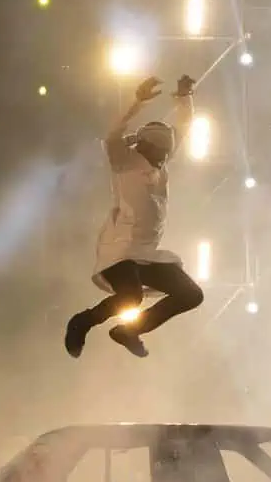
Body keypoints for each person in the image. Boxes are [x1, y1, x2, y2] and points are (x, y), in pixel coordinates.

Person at [65, 75, 204, 359]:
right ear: (144, 146)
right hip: (120, 250)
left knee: (191, 294)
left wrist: (185, 97)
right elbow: (113, 134)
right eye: (158, 152)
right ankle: (83, 322)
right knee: (131, 297)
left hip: (147, 254)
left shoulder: (159, 166)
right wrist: (137, 101)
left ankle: (129, 331)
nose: (162, 158)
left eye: (165, 154)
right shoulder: (124, 161)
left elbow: (184, 129)